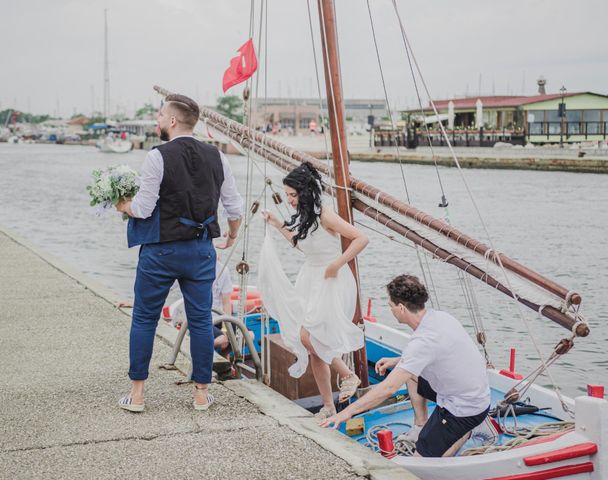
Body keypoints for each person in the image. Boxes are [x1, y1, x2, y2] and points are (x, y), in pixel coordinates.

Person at [115, 94, 244, 413]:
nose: (157, 120)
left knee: (144, 317)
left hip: (161, 250)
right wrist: (231, 235)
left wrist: (123, 205)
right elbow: (234, 206)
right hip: (201, 250)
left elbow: (144, 209)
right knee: (201, 320)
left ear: (172, 121)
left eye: (160, 115)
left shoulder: (157, 156)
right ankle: (201, 395)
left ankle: (138, 395)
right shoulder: (218, 156)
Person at [320, 274, 491, 458]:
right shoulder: (440, 318)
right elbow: (435, 353)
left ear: (401, 308)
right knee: (410, 374)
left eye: (390, 306)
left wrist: (345, 414)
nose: (390, 309)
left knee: (421, 460)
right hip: (474, 393)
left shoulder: (424, 340)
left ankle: (463, 432)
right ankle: (420, 425)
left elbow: (388, 388)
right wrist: (398, 360)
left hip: (465, 408)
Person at [259, 162, 369, 421]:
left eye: (293, 195)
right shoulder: (305, 218)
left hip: (332, 278)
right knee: (312, 348)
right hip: (310, 278)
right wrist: (277, 224)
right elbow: (301, 245)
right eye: (287, 195)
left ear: (306, 192)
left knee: (309, 337)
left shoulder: (325, 214)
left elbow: (361, 238)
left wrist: (337, 264)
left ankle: (347, 374)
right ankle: (328, 405)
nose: (289, 200)